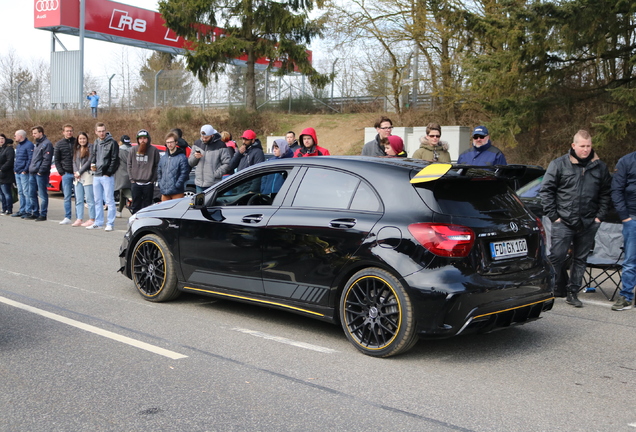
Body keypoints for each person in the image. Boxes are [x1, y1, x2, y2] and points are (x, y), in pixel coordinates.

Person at [539, 130, 611, 307]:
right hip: (563, 221)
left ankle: (573, 293)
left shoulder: (600, 167)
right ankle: (551, 289)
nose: (585, 150)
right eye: (582, 146)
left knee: (580, 259)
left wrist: (599, 217)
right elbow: (546, 191)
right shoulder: (559, 164)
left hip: (588, 222)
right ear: (574, 146)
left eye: (588, 146)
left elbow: (606, 194)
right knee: (556, 256)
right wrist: (554, 216)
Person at [610, 150, 636, 311]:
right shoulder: (626, 161)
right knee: (630, 262)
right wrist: (625, 217)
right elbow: (616, 190)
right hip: (632, 218)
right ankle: (626, 297)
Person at [89, 122, 119, 231]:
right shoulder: (96, 142)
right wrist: (92, 164)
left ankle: (110, 223)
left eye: (103, 131)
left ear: (106, 131)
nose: (101, 133)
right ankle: (98, 222)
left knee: (109, 200)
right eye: (99, 131)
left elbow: (115, 159)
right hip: (96, 175)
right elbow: (94, 155)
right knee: (97, 200)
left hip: (106, 175)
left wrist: (109, 172)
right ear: (96, 132)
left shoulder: (112, 143)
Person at [189, 124, 231, 193]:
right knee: (199, 204)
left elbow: (227, 163)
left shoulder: (221, 145)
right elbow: (190, 163)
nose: (204, 139)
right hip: (199, 183)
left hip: (214, 184)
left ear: (212, 135)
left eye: (206, 137)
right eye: (202, 137)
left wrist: (216, 174)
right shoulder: (197, 143)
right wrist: (195, 157)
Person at [128, 129, 160, 214]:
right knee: (135, 205)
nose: (143, 140)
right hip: (136, 182)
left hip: (148, 183)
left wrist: (152, 180)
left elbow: (157, 165)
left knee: (148, 206)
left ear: (148, 139)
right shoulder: (133, 150)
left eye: (144, 138)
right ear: (138, 140)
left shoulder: (154, 150)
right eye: (140, 138)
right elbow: (129, 165)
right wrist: (132, 179)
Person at [28, 126, 54, 222]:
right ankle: (35, 212)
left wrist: (40, 171)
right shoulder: (37, 144)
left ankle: (43, 214)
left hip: (41, 174)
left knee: (42, 194)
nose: (33, 135)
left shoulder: (46, 144)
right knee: (32, 193)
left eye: (35, 133)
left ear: (41, 133)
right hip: (32, 173)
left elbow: (46, 160)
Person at [157, 132, 190, 201]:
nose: (169, 144)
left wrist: (177, 185)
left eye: (171, 142)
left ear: (176, 142)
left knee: (176, 211)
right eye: (167, 142)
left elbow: (184, 173)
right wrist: (160, 183)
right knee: (164, 211)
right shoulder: (163, 157)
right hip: (164, 192)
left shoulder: (182, 157)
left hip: (177, 192)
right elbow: (159, 171)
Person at [54, 124, 77, 225]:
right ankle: (67, 217)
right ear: (63, 132)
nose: (69, 133)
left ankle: (78, 217)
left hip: (77, 174)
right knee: (67, 196)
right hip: (66, 173)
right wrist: (61, 172)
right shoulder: (59, 144)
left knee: (78, 197)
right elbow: (57, 160)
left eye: (71, 131)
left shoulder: (77, 142)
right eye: (67, 131)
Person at [72, 132, 96, 227]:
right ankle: (79, 218)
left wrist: (80, 172)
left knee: (89, 199)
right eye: (80, 139)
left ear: (87, 139)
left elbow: (89, 162)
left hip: (87, 175)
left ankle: (92, 218)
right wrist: (76, 172)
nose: (82, 140)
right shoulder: (76, 149)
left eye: (84, 138)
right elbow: (73, 161)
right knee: (79, 199)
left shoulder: (91, 148)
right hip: (77, 177)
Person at [11, 130, 33, 218]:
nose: (14, 137)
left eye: (15, 135)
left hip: (24, 173)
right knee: (20, 192)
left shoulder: (29, 145)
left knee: (26, 192)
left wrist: (25, 170)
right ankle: (22, 210)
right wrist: (15, 169)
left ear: (20, 136)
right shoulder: (19, 145)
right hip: (18, 172)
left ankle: (28, 210)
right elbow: (17, 159)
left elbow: (30, 159)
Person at [114, 135, 132, 218]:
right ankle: (119, 210)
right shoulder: (132, 149)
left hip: (122, 173)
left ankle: (131, 199)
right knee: (122, 192)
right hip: (131, 173)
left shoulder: (120, 150)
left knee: (125, 190)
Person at [0, 134, 15, 215]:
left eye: (2, 138)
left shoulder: (8, 149)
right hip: (1, 175)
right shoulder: (1, 149)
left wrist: (2, 169)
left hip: (6, 174)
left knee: (7, 193)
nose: (1, 140)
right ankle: (4, 208)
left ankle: (9, 209)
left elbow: (10, 161)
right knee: (1, 194)